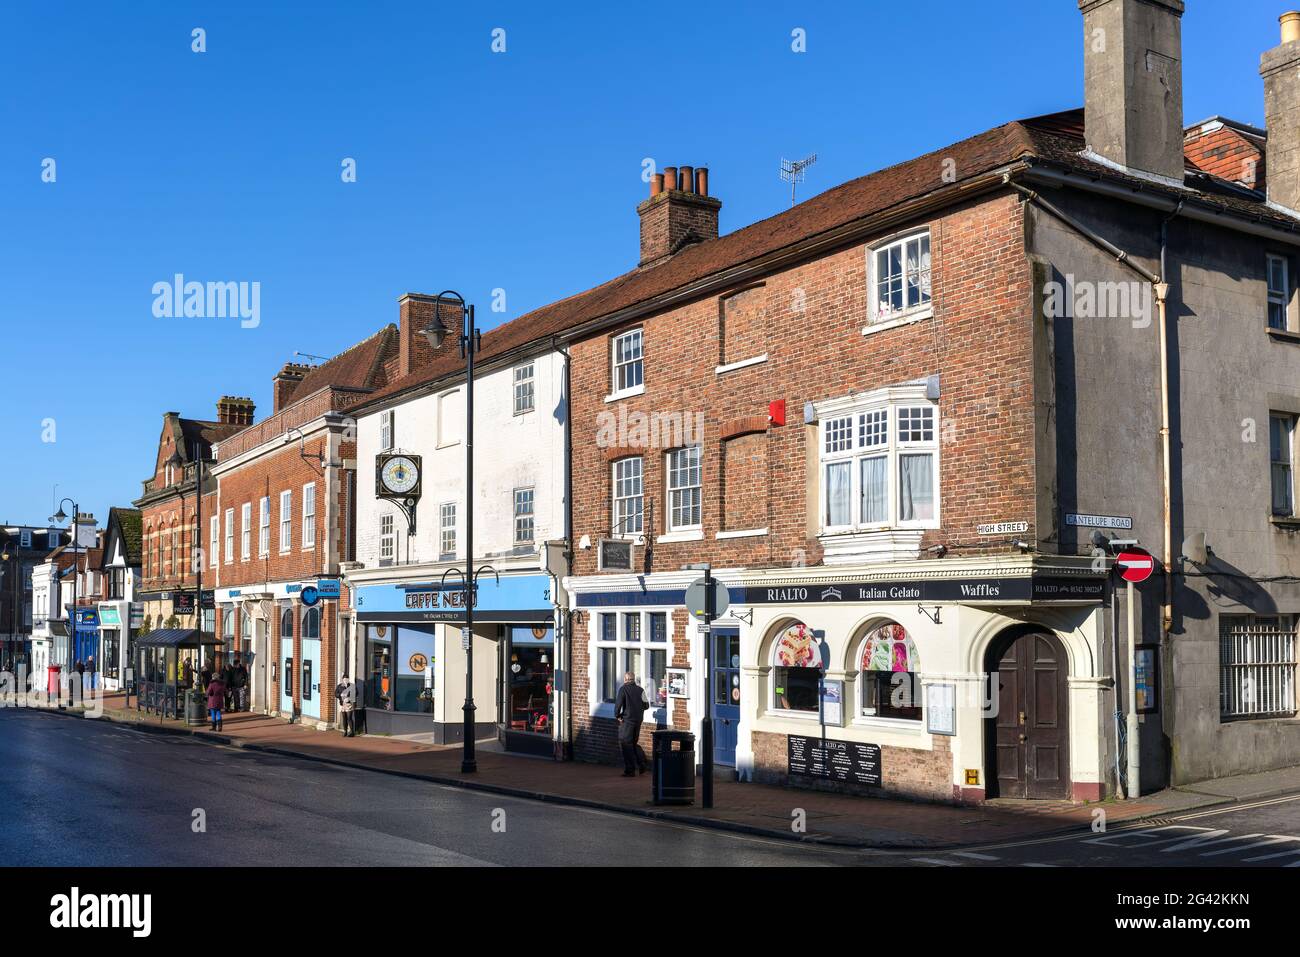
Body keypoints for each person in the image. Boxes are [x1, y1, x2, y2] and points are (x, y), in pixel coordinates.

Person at [614, 670, 649, 776]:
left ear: (625, 679)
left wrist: (618, 716)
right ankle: (642, 763)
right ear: (633, 680)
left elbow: (618, 706)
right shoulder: (641, 690)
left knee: (625, 744)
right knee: (633, 743)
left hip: (627, 721)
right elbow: (646, 705)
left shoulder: (623, 689)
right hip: (638, 721)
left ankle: (630, 770)